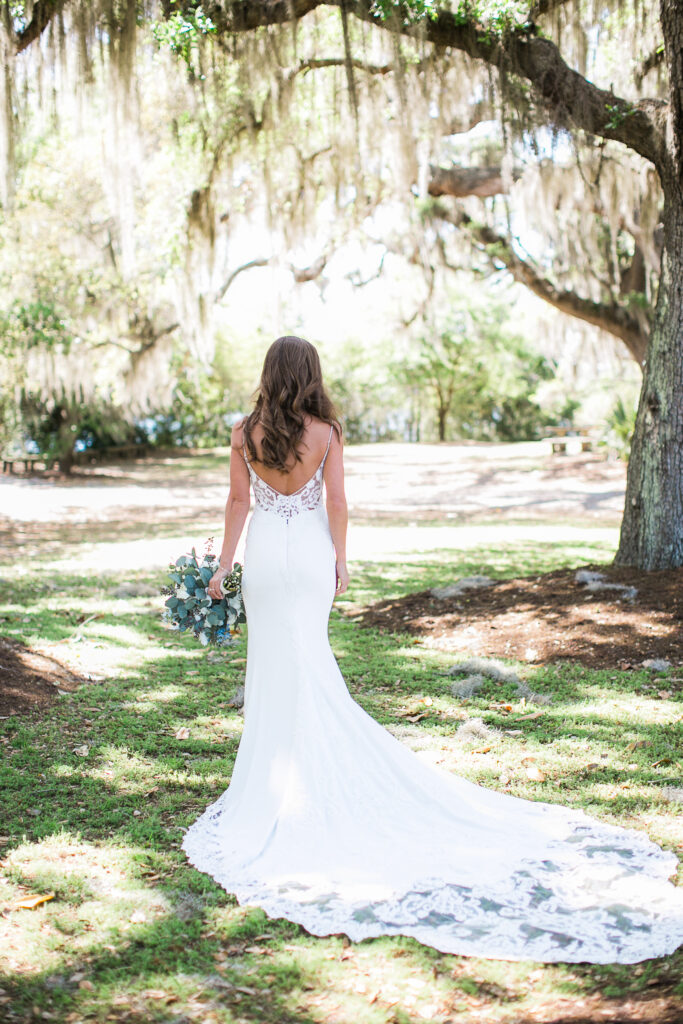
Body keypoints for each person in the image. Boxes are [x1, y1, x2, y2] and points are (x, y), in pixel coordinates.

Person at [182, 335, 683, 964]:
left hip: (261, 560)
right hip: (307, 557)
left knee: (276, 665)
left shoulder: (242, 432)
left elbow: (236, 502)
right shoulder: (327, 433)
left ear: (267, 373)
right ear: (310, 374)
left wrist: (221, 567)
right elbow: (335, 502)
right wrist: (340, 557)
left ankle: (275, 777)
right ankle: (303, 771)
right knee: (308, 658)